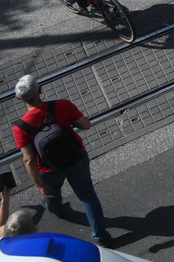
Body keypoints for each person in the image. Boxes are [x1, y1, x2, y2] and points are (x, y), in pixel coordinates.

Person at [11, 75, 109, 245]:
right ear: (40, 90)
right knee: (88, 197)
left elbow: (29, 160)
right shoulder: (62, 105)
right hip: (76, 159)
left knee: (51, 193)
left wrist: (39, 185)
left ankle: (57, 210)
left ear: (18, 98)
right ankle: (101, 237)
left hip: (49, 169)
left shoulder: (20, 128)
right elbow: (86, 125)